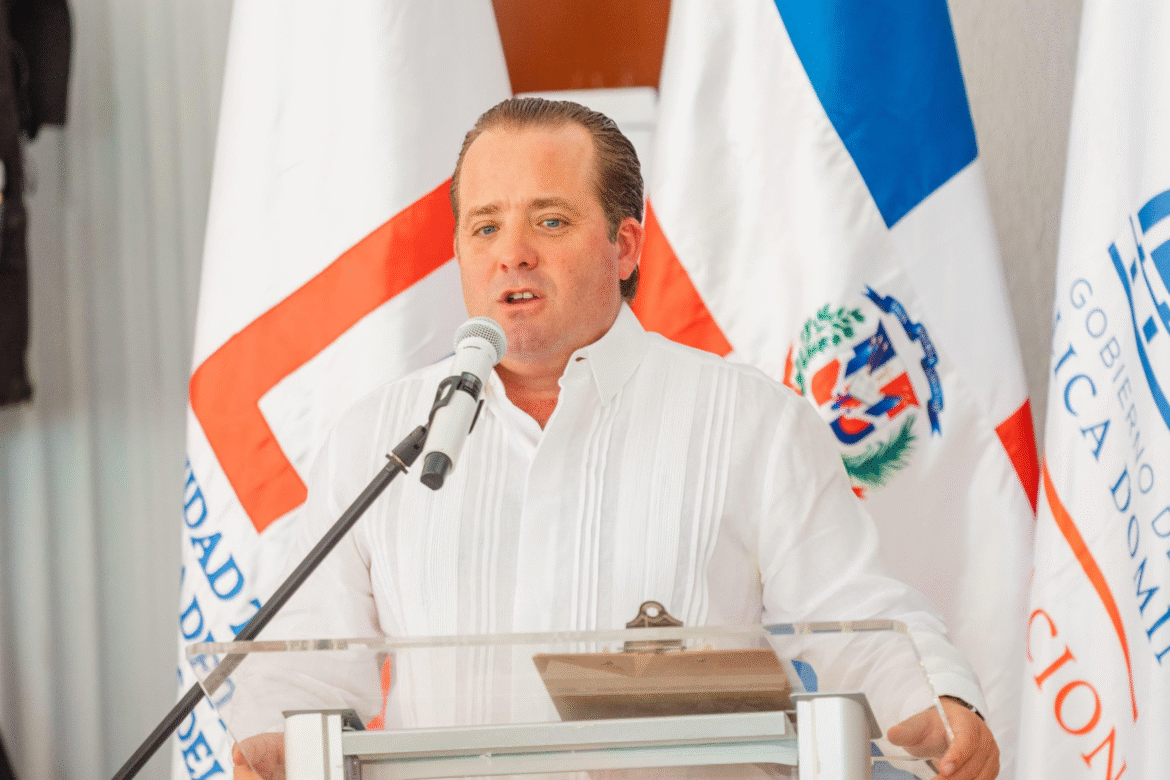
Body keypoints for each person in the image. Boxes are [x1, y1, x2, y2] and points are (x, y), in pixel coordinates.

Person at [232, 98, 999, 780]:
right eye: (485, 226)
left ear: (625, 246)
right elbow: (311, 658)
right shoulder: (377, 439)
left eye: (550, 221)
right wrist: (271, 738)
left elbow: (853, 616)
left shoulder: (752, 420)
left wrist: (934, 699)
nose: (512, 252)